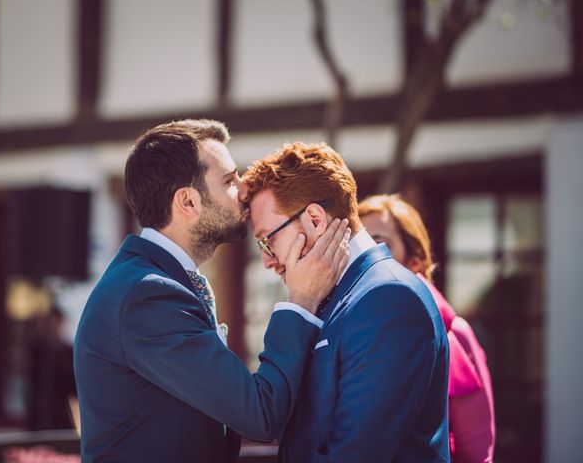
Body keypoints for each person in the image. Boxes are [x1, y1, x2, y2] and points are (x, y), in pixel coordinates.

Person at [73, 119, 350, 463]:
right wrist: (302, 300)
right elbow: (259, 415)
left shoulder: (151, 282)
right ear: (188, 202)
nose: (245, 188)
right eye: (229, 180)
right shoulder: (146, 295)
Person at [243, 142, 450, 462]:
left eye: (268, 240)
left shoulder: (390, 299)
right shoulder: (329, 294)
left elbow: (356, 452)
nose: (267, 261)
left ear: (314, 219)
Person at [358, 194, 495, 462]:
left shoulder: (453, 333)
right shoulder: (346, 329)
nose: (366, 255)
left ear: (415, 261)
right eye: (358, 244)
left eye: (379, 242)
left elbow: (477, 450)